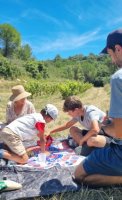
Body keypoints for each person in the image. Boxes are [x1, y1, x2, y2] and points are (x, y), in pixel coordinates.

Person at [74, 29, 122, 186]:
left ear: (118, 49)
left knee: (79, 175)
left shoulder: (118, 78)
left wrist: (105, 126)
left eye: (110, 54)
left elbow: (118, 132)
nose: (112, 59)